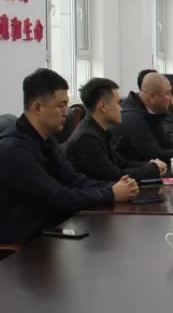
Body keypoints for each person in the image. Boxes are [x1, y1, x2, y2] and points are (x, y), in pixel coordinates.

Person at [0, 69, 139, 244]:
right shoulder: (13, 150)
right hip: (23, 246)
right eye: (61, 105)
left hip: (51, 233)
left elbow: (74, 180)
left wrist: (118, 187)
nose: (67, 111)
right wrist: (111, 194)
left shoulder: (46, 140)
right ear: (37, 108)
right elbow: (58, 197)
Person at [63, 78, 167, 182]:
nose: (121, 109)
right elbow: (114, 176)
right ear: (103, 106)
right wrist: (153, 169)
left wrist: (151, 164)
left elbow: (122, 163)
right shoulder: (87, 138)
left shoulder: (100, 131)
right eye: (117, 103)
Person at [110, 72, 173, 163]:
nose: (171, 98)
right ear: (152, 96)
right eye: (168, 93)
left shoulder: (154, 111)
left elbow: (167, 143)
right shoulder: (133, 118)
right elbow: (155, 154)